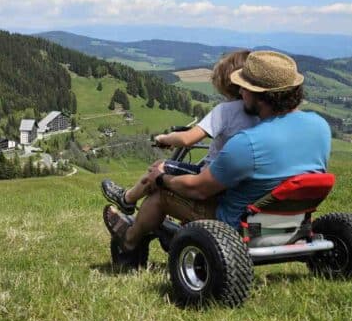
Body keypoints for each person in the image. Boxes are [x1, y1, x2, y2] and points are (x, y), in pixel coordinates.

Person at [102, 51, 332, 253]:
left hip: (239, 228)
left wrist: (162, 179)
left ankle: (129, 241)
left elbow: (199, 189)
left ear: (261, 95)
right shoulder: (320, 126)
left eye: (245, 87)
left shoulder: (248, 143)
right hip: (291, 224)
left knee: (160, 194)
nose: (240, 91)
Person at [100, 50, 257, 215]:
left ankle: (127, 199)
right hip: (238, 184)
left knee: (159, 167)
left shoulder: (226, 110)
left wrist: (164, 138)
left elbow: (187, 139)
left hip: (211, 178)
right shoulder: (260, 111)